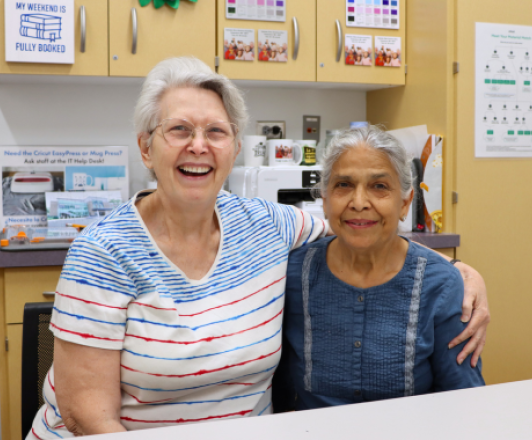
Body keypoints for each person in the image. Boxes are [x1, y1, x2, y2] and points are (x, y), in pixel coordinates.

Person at [27, 58, 488, 439]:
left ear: (234, 149)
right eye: (180, 130)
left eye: (216, 132)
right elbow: (87, 417)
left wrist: (456, 272)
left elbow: (358, 228)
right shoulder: (102, 252)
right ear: (146, 148)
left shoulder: (266, 225)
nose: (199, 146)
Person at [272, 126, 485, 412]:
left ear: (405, 203)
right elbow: (279, 388)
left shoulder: (441, 285)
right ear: (324, 200)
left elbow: (465, 400)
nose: (359, 203)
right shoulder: (293, 273)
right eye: (343, 185)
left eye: (379, 187)